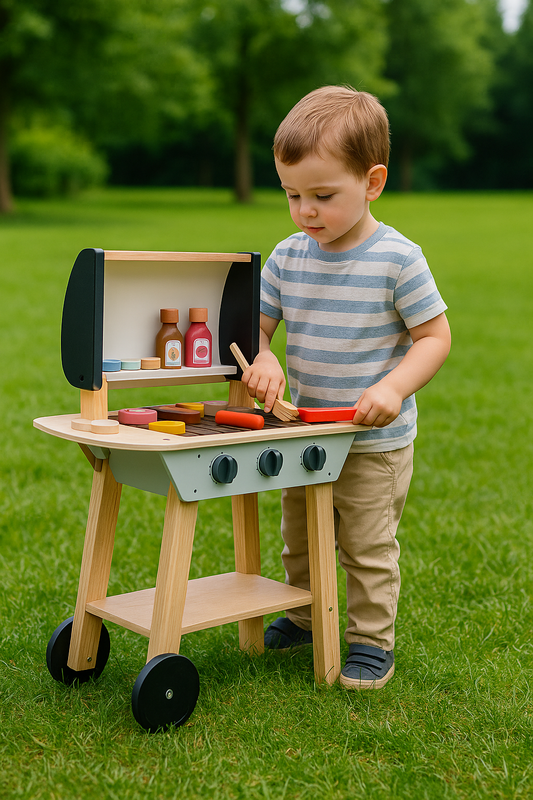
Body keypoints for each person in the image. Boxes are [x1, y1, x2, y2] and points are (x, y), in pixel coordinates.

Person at [241, 85, 451, 690]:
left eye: (323, 196)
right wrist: (263, 356)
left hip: (371, 441)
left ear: (372, 182)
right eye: (292, 195)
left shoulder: (398, 259)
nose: (306, 211)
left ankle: (369, 642)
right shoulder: (288, 257)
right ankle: (305, 617)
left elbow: (434, 338)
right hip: (305, 433)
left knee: (366, 545)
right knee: (300, 540)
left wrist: (395, 387)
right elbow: (255, 329)